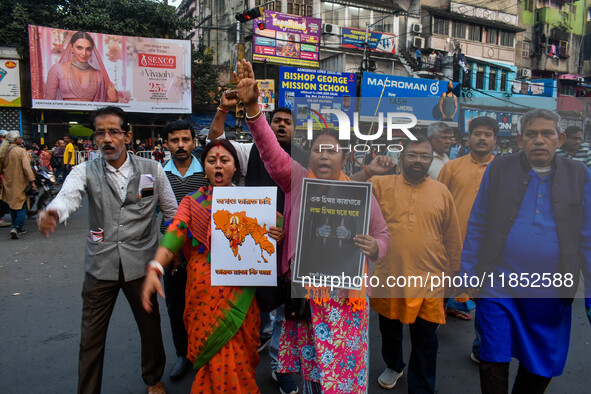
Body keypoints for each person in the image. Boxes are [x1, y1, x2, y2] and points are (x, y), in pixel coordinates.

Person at [236, 59, 390, 393]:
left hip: (345, 302)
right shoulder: (296, 181)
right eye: (318, 150)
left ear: (343, 158)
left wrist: (375, 247)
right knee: (312, 373)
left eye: (331, 151)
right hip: (305, 295)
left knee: (343, 376)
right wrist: (253, 109)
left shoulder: (360, 195)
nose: (323, 156)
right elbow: (269, 150)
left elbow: (382, 234)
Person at [38, 106, 177, 394]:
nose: (107, 139)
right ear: (94, 139)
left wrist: (171, 252)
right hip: (100, 266)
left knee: (150, 331)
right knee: (90, 338)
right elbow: (68, 198)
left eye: (113, 131)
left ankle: (153, 379)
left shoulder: (152, 170)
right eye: (100, 133)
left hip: (142, 264)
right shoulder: (83, 171)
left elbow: (172, 213)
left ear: (127, 135)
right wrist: (54, 212)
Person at [460, 109, 591, 393]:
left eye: (547, 134)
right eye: (531, 134)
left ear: (561, 139)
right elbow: (478, 222)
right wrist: (469, 275)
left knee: (543, 362)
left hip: (552, 292)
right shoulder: (500, 168)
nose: (539, 140)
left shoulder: (579, 174)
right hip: (498, 286)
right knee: (493, 355)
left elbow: (588, 238)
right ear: (520, 139)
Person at [142, 139, 284, 393]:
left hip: (241, 290)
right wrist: (156, 266)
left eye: (224, 160)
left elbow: (277, 226)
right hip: (204, 291)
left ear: (235, 167)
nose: (218, 166)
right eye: (211, 161)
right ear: (204, 168)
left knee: (240, 353)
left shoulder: (253, 201)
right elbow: (175, 233)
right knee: (214, 355)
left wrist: (278, 233)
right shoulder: (191, 202)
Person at [209, 95, 305, 393]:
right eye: (277, 120)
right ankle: (240, 360)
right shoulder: (250, 150)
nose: (281, 125)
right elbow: (216, 139)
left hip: (285, 243)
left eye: (288, 123)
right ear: (267, 124)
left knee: (281, 312)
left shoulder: (304, 159)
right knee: (247, 303)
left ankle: (279, 366)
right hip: (248, 241)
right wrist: (223, 109)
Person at [367, 136, 462, 393]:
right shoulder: (380, 184)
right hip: (389, 274)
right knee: (389, 328)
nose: (418, 160)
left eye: (424, 156)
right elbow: (343, 190)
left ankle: (421, 388)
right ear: (401, 157)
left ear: (431, 160)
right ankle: (394, 365)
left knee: (426, 339)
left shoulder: (441, 191)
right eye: (412, 155)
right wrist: (368, 170)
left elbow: (452, 236)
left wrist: (455, 275)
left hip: (429, 278)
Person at [438, 116, 497, 361]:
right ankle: (429, 330)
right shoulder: (452, 167)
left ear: (495, 139)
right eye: (477, 133)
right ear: (468, 138)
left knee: (486, 301)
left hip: (489, 250)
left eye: (487, 134)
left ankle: (480, 348)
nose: (482, 138)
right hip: (451, 244)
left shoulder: (503, 170)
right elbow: (438, 202)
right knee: (440, 291)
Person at [160, 119, 209, 381]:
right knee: (176, 306)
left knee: (205, 304)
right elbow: (153, 211)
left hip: (205, 253)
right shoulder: (158, 173)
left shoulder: (207, 170)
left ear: (193, 141)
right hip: (173, 254)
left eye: (185, 140)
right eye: (175, 140)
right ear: (166, 143)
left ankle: (204, 351)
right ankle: (183, 354)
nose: (180, 145)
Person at [44, 31, 117, 102]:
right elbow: (49, 102)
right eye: (79, 48)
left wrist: (114, 101)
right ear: (72, 48)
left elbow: (106, 105)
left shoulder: (99, 75)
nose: (83, 53)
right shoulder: (57, 69)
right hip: (64, 114)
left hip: (92, 114)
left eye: (88, 49)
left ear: (92, 50)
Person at [0, 130, 37, 239]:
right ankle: (17, 227)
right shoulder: (20, 151)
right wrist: (32, 181)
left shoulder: (4, 151)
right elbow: (27, 168)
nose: (21, 139)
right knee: (22, 205)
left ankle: (14, 225)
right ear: (15, 139)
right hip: (20, 181)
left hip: (8, 181)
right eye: (20, 138)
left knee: (12, 204)